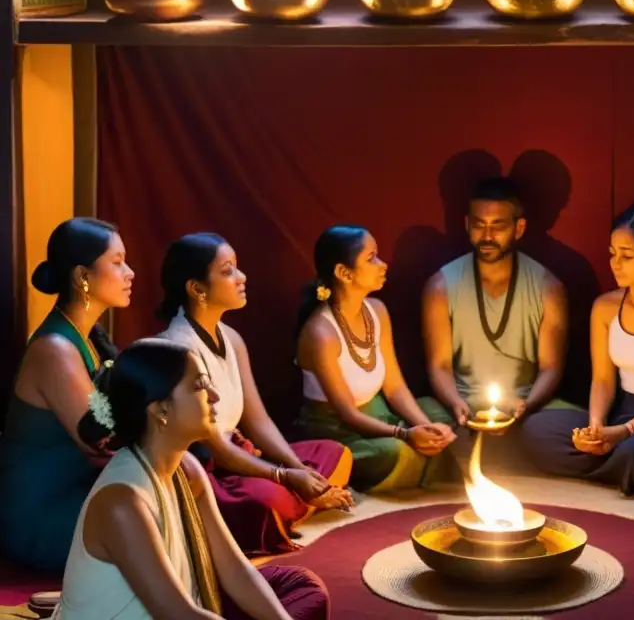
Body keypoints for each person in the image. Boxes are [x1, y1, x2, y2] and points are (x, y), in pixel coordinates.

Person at [56, 337, 331, 619]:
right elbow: (178, 613)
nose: (214, 395)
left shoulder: (186, 467)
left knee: (301, 588)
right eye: (199, 385)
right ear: (161, 409)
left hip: (189, 606)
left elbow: (235, 571)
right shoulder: (122, 502)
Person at [157, 234, 353, 557]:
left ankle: (302, 499)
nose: (241, 277)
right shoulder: (179, 348)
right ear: (197, 288)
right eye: (228, 270)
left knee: (336, 454)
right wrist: (284, 476)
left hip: (242, 455)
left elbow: (258, 420)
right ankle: (297, 504)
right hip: (206, 471)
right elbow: (215, 447)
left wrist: (297, 469)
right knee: (268, 503)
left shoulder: (231, 338)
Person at [523, 204, 634, 494]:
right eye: (612, 253)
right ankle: (616, 468)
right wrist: (596, 426)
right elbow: (603, 380)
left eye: (627, 256)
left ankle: (616, 465)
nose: (615, 263)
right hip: (618, 415)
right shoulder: (605, 307)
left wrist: (624, 432)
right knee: (537, 429)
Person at [0, 218, 132, 573]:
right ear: (82, 277)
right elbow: (102, 444)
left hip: (79, 492)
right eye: (117, 262)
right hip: (42, 512)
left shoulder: (87, 337)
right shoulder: (56, 349)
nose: (130, 272)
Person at [294, 225, 457, 492]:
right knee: (397, 452)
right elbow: (347, 413)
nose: (382, 265)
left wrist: (426, 427)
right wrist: (406, 434)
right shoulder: (321, 333)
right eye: (371, 259)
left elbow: (394, 387)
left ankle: (420, 457)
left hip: (379, 414)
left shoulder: (377, 311)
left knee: (438, 415)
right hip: (337, 428)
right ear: (343, 273)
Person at [422, 177, 574, 461]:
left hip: (526, 404)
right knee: (428, 421)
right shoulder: (441, 286)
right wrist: (455, 403)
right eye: (479, 224)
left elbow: (551, 368)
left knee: (562, 429)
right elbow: (439, 365)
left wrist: (525, 406)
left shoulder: (548, 287)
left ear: (519, 228)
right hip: (462, 403)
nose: (487, 235)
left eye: (498, 226)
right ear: (467, 225)